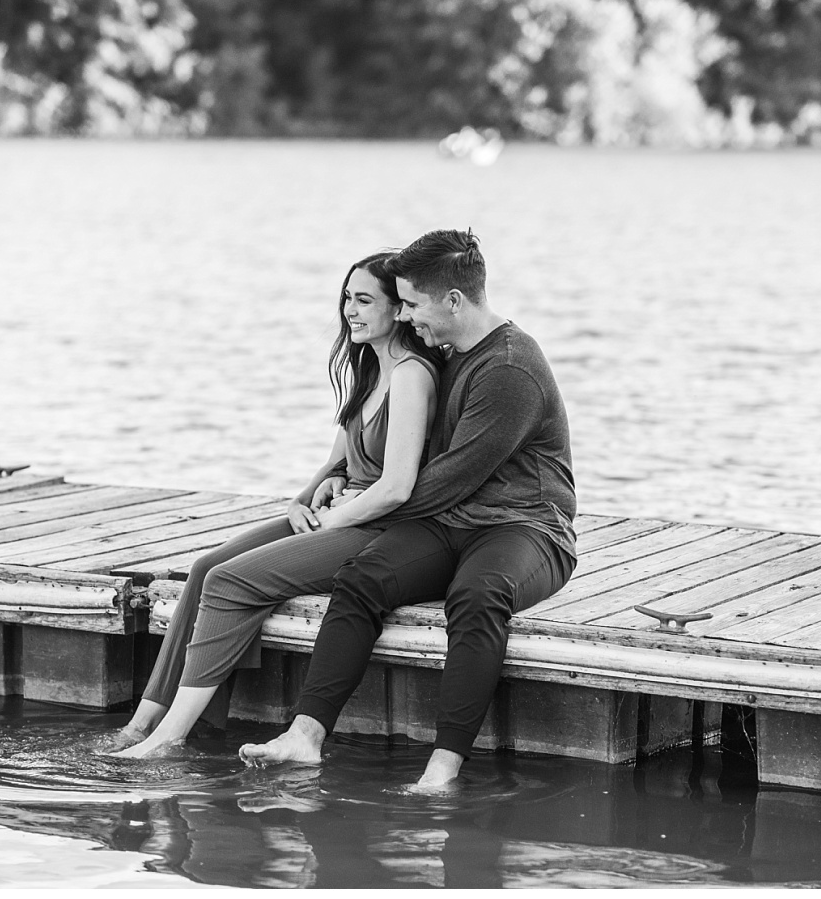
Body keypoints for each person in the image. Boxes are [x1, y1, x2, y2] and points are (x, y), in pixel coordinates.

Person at [239, 228, 577, 793]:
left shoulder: (510, 368)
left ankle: (442, 770)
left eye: (413, 304)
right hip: (453, 522)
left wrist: (353, 510)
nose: (406, 315)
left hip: (526, 528)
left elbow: (448, 478)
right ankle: (304, 736)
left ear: (453, 300)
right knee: (363, 577)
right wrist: (343, 478)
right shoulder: (448, 351)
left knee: (477, 595)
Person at [100, 253, 439, 757]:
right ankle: (143, 719)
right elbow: (338, 461)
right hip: (336, 514)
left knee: (230, 581)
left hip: (378, 529)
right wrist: (305, 500)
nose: (350, 309)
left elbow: (395, 487)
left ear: (399, 309)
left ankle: (171, 737)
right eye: (347, 298)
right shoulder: (370, 367)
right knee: (206, 566)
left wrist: (333, 519)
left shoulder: (413, 374)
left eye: (364, 300)